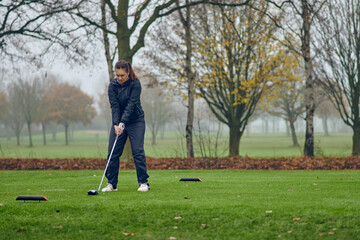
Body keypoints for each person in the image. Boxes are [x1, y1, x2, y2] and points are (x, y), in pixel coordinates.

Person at [102, 60, 149, 192]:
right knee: (112, 152)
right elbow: (115, 106)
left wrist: (122, 123)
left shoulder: (135, 83)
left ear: (128, 73)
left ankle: (143, 183)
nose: (120, 78)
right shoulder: (112, 86)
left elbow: (131, 105)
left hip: (136, 121)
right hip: (119, 122)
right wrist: (116, 124)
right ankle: (111, 184)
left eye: (122, 75)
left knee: (137, 151)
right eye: (117, 75)